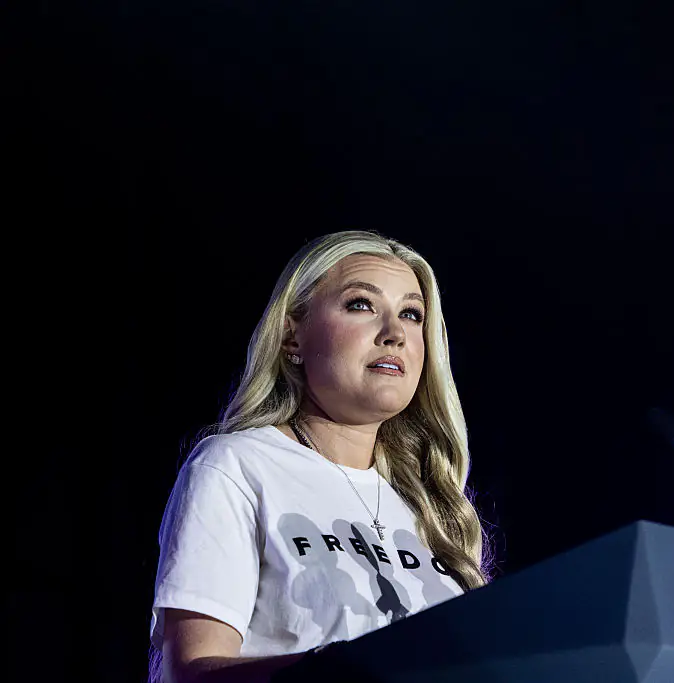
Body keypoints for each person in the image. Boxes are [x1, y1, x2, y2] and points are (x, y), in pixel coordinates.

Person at [147, 231, 492, 683]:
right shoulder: (237, 466)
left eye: (411, 315)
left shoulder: (434, 508)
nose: (394, 334)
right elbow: (188, 673)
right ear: (293, 334)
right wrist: (338, 669)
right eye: (361, 305)